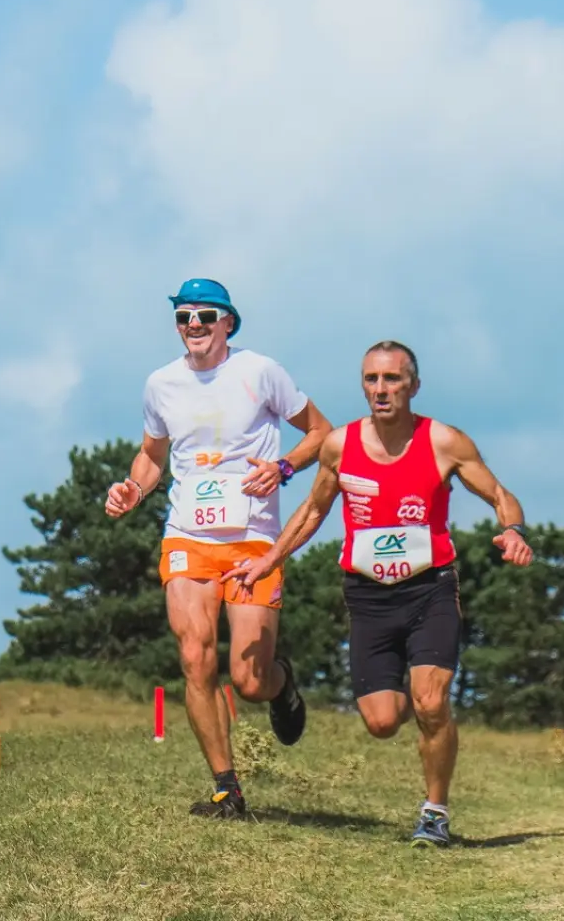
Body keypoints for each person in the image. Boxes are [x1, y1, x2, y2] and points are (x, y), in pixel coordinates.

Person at [225, 340, 533, 848]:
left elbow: (499, 493)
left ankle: (435, 813)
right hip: (368, 597)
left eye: (392, 379)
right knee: (383, 721)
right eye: (371, 379)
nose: (381, 389)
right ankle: (413, 710)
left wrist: (515, 530)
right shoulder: (339, 446)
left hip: (430, 590)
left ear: (413, 385)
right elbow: (311, 513)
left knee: (431, 702)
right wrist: (267, 560)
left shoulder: (444, 441)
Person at [104, 277, 333, 820]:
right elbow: (151, 456)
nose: (194, 327)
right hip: (188, 535)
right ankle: (226, 788)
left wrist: (282, 468)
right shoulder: (161, 384)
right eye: (184, 318)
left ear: (228, 321)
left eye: (206, 316)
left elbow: (321, 433)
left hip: (254, 538)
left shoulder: (260, 372)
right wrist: (133, 488)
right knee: (193, 658)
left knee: (249, 681)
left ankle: (281, 686)